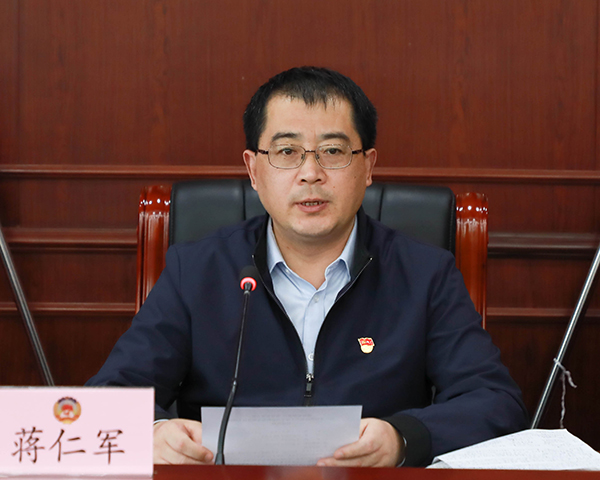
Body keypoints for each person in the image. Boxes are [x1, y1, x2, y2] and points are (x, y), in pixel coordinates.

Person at [87, 66, 528, 467]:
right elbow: (105, 400)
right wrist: (153, 433)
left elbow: (496, 402)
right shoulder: (197, 271)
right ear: (253, 170)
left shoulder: (425, 274)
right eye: (287, 151)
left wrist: (402, 439)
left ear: (368, 167)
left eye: (333, 151)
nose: (310, 173)